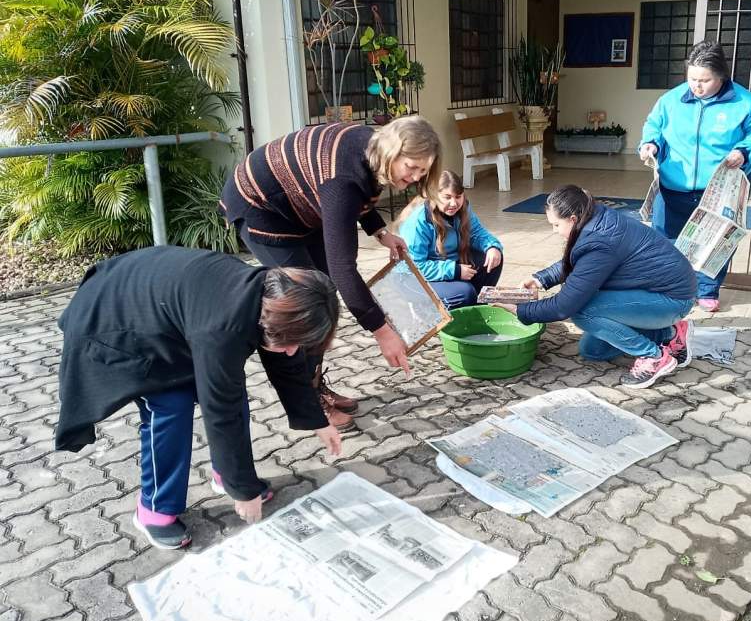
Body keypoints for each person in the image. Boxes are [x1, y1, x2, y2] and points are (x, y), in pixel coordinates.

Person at [55, 246, 342, 550]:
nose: (292, 351)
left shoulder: (270, 299)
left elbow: (283, 366)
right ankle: (154, 510)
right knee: (170, 406)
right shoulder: (225, 325)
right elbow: (221, 410)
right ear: (274, 320)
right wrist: (244, 492)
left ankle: (225, 475)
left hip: (169, 314)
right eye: (290, 341)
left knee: (230, 387)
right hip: (116, 320)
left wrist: (316, 420)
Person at [220, 115, 442, 429]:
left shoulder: (371, 151)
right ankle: (309, 406)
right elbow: (343, 269)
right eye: (412, 167)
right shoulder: (344, 177)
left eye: (423, 170)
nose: (416, 177)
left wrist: (380, 232)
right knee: (306, 307)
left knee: (324, 294)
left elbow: (357, 201)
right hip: (262, 208)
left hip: (301, 205)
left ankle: (315, 385)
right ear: (393, 152)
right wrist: (382, 331)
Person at [503, 185, 697, 389]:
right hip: (655, 291)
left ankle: (654, 356)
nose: (554, 231)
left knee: (582, 312)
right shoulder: (594, 215)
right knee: (593, 351)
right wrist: (540, 279)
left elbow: (563, 306)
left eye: (556, 225)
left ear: (573, 219)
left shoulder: (600, 240)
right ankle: (672, 334)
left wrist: (521, 310)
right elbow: (582, 262)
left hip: (672, 299)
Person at [638, 40, 751, 312]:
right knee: (666, 240)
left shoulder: (746, 103)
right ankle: (670, 287)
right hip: (673, 185)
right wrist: (650, 143)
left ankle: (707, 289)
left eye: (705, 80)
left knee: (715, 243)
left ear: (721, 76)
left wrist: (744, 151)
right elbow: (654, 125)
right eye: (692, 79)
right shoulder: (671, 100)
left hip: (719, 189)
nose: (696, 86)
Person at [397, 170, 503, 309]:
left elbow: (476, 233)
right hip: (413, 279)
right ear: (434, 195)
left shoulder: (464, 208)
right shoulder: (419, 220)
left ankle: (477, 308)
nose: (454, 203)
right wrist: (454, 270)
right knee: (465, 293)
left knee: (492, 259)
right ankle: (422, 309)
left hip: (446, 264)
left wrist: (492, 247)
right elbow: (415, 266)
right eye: (447, 197)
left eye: (458, 196)